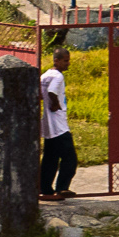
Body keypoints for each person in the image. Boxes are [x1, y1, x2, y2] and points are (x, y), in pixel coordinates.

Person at [38, 48, 76, 201]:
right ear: (56, 60)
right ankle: (62, 188)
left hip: (48, 127)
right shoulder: (58, 76)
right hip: (59, 126)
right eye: (65, 60)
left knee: (50, 159)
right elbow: (52, 92)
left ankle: (45, 189)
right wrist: (55, 104)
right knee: (70, 158)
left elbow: (40, 95)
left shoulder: (44, 76)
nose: (68, 63)